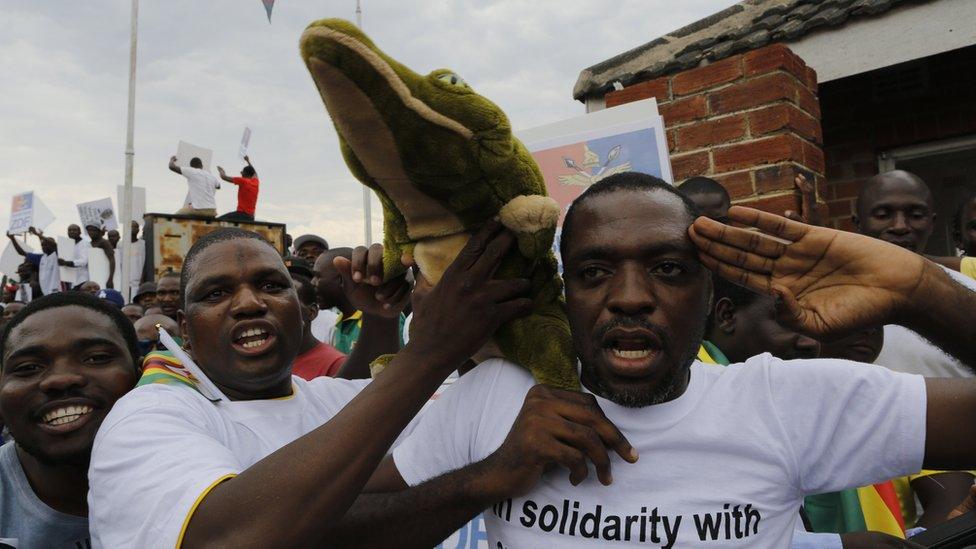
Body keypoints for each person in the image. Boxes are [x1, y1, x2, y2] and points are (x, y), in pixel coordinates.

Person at [329, 172, 976, 548]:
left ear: (711, 295)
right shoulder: (500, 395)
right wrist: (491, 477)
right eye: (594, 271)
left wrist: (922, 292)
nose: (630, 298)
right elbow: (325, 530)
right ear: (567, 294)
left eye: (667, 269)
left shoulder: (788, 400)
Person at [88, 225, 530, 546]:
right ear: (185, 329)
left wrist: (409, 304)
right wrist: (431, 352)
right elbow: (226, 539)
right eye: (216, 293)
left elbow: (479, 408)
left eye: (270, 285)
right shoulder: (149, 416)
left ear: (301, 312)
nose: (249, 303)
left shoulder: (337, 399)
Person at [0, 292, 140, 546]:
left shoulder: (204, 475)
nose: (60, 379)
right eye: (28, 367)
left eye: (96, 358)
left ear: (142, 375)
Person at [853, 170, 976, 379]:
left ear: (931, 223)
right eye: (883, 215)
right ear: (858, 224)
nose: (900, 226)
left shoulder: (967, 295)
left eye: (916, 215)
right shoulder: (832, 300)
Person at [701, 276, 820, 364]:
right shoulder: (690, 388)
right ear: (727, 316)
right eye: (786, 323)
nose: (811, 343)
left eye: (816, 322)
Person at [6, 227, 60, 297]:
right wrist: (12, 239)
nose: (43, 247)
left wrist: (38, 235)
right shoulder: (41, 258)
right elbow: (22, 252)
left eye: (46, 245)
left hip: (57, 290)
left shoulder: (57, 255)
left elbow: (54, 244)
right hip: (45, 292)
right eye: (42, 245)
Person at [311, 248, 349, 344]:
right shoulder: (337, 325)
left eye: (318, 276)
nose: (312, 282)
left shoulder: (371, 324)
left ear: (341, 279)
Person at [71, 225, 115, 290]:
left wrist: (110, 278)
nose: (91, 232)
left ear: (99, 231)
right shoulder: (89, 243)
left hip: (103, 276)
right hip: (93, 276)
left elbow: (112, 260)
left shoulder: (104, 242)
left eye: (93, 230)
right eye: (89, 230)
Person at [216, 155, 260, 221]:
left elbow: (223, 177)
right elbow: (255, 173)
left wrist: (221, 170)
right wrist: (248, 161)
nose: (241, 174)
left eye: (242, 172)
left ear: (245, 174)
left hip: (241, 215)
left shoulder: (243, 181)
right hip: (251, 216)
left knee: (217, 221)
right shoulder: (256, 182)